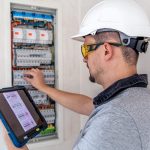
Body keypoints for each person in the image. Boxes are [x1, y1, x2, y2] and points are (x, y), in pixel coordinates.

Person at [3, 0, 150, 149]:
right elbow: (88, 105)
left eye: (86, 49)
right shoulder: (137, 98)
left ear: (106, 50)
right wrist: (43, 88)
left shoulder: (113, 119)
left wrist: (17, 145)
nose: (84, 58)